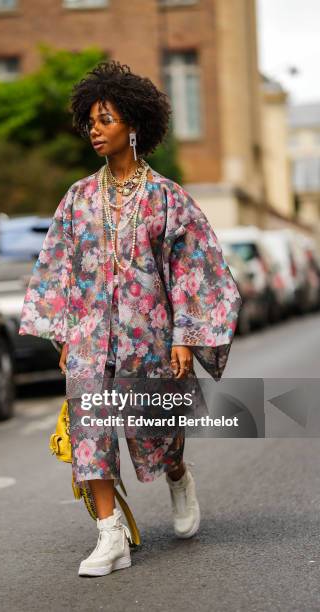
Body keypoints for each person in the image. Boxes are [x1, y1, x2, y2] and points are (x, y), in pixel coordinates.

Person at [18, 60, 242, 577]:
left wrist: (186, 334)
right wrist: (65, 335)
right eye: (90, 121)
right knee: (90, 432)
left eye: (105, 119)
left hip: (151, 338)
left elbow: (196, 268)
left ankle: (178, 475)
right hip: (92, 337)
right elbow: (59, 267)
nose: (94, 130)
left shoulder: (168, 198)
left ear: (133, 125)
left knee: (155, 433)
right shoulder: (78, 199)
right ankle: (109, 534)